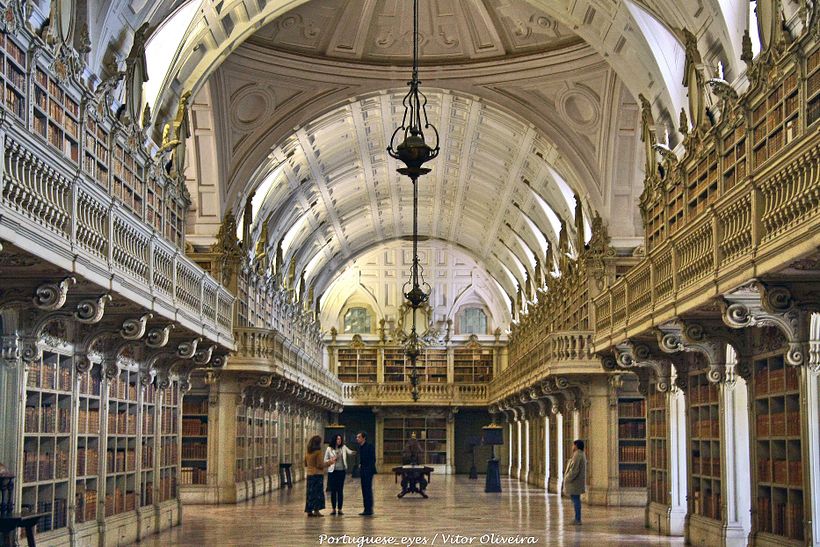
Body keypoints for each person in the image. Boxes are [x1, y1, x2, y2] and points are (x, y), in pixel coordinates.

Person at [324, 434, 356, 515]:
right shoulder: (329, 449)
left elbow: (350, 452)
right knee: (333, 490)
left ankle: (340, 509)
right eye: (338, 439)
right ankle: (333, 508)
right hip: (333, 471)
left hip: (341, 471)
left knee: (340, 490)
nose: (339, 440)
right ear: (334, 440)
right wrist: (332, 460)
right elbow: (325, 460)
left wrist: (355, 451)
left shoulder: (343, 447)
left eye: (340, 439)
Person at [304, 435, 335, 517]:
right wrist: (330, 462)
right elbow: (320, 465)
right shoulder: (318, 452)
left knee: (310, 493)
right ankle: (316, 510)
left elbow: (305, 463)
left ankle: (309, 510)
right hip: (317, 475)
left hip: (309, 474)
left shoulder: (308, 452)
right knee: (317, 493)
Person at [563, 439, 587, 525]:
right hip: (577, 482)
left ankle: (577, 519)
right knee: (576, 500)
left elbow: (574, 470)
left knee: (576, 500)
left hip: (575, 482)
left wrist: (567, 478)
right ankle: (577, 518)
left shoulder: (578, 455)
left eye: (573, 445)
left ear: (576, 446)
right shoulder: (580, 454)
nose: (572, 447)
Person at [356, 431, 376, 516]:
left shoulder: (369, 446)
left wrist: (367, 468)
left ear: (363, 438)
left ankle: (369, 509)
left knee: (367, 489)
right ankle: (366, 508)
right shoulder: (360, 447)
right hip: (363, 470)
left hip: (368, 470)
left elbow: (372, 459)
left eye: (359, 437)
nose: (357, 439)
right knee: (364, 489)